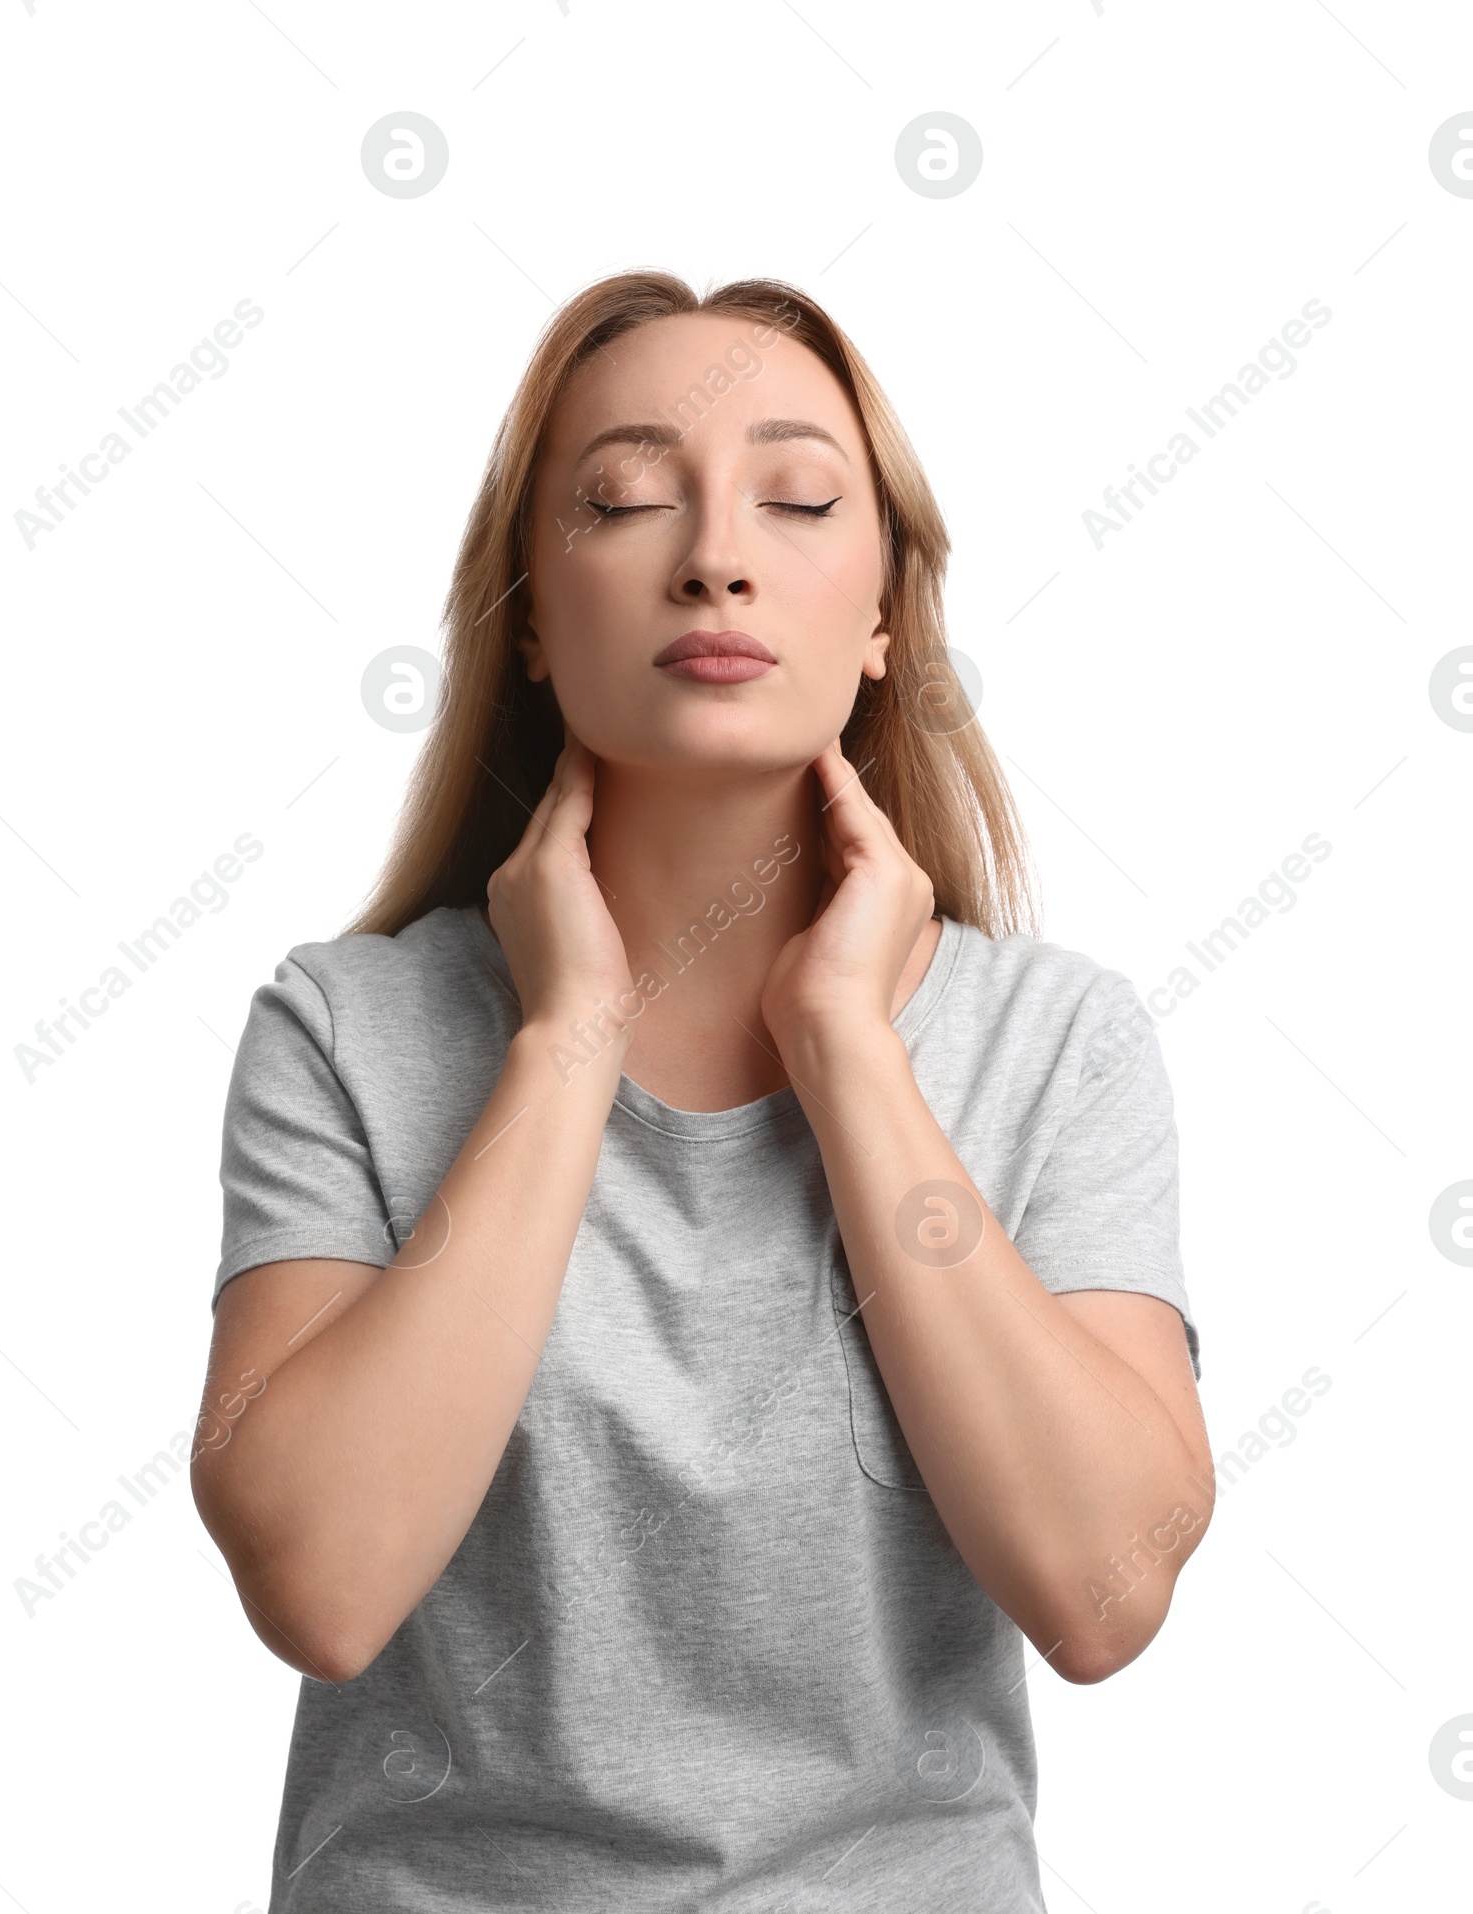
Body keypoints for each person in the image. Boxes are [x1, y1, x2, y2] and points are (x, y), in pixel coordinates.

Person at [191, 270, 1212, 1912]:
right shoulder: (345, 1030)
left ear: (887, 617)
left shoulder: (1059, 1044)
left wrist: (851, 1052)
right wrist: (565, 1041)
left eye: (800, 496)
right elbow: (322, 1581)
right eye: (623, 497)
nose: (716, 553)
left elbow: (1103, 1597)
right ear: (530, 612)